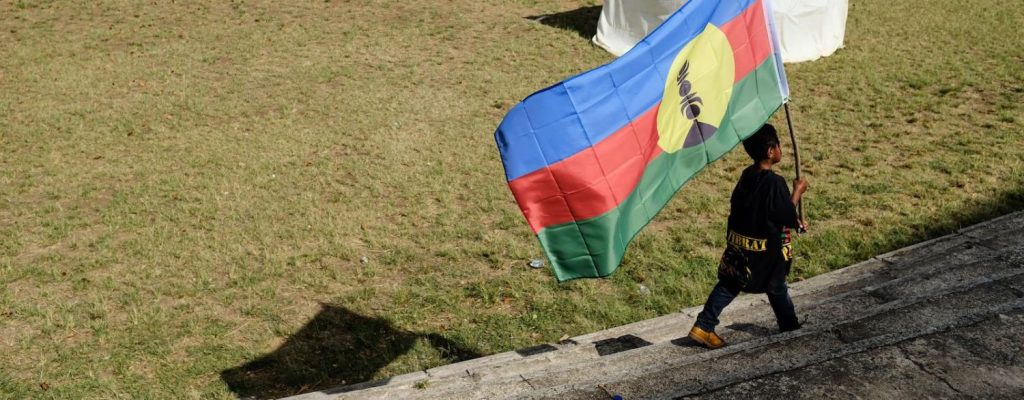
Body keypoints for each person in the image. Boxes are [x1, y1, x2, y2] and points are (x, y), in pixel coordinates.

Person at [688, 123, 809, 349]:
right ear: (771, 151)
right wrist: (797, 192)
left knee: (730, 283)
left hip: (741, 246)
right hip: (765, 251)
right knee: (777, 286)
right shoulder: (774, 182)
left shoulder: (747, 175)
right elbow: (784, 214)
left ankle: (703, 325)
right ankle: (790, 327)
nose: (781, 149)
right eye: (779, 145)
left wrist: (795, 221)